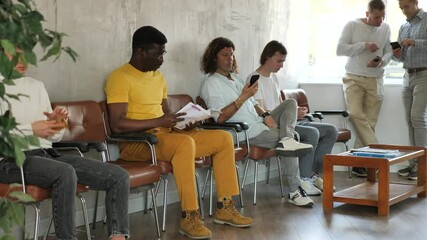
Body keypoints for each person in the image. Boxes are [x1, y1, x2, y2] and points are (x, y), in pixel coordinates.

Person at [104, 26, 252, 240]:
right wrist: (161, 121)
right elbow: (117, 125)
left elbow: (166, 114)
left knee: (223, 138)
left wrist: (184, 122)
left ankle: (225, 207)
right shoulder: (119, 77)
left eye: (164, 53)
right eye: (158, 53)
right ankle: (190, 217)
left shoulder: (158, 77)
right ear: (140, 52)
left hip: (165, 136)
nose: (162, 58)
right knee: (184, 145)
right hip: (138, 144)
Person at [0, 49, 130, 240]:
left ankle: (118, 236)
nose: (23, 59)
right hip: (11, 161)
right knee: (64, 172)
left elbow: (53, 139)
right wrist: (31, 129)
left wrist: (57, 124)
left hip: (46, 155)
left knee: (118, 176)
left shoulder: (36, 86)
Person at [199, 37, 315, 208]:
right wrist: (243, 97)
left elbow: (253, 103)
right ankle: (295, 189)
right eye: (225, 55)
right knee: (293, 136)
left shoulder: (237, 79)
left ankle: (287, 142)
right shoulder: (211, 83)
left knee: (290, 103)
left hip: (259, 123)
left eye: (231, 55)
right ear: (214, 58)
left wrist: (266, 114)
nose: (230, 58)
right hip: (244, 132)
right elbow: (220, 117)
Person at [247, 40, 338, 195]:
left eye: (283, 61)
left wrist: (296, 111)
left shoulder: (274, 78)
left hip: (286, 122)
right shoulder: (254, 78)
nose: (281, 65)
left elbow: (281, 105)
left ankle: (311, 174)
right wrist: (292, 112)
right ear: (267, 57)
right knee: (312, 133)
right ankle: (304, 177)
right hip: (273, 124)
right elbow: (260, 111)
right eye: (279, 61)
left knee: (331, 131)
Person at [336, 0, 392, 177]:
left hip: (376, 79)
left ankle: (360, 165)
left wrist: (382, 61)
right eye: (376, 17)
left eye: (383, 17)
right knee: (355, 113)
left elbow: (388, 51)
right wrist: (364, 46)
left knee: (370, 122)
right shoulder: (352, 25)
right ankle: (379, 153)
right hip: (353, 78)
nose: (380, 21)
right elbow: (340, 50)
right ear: (367, 14)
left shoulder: (386, 27)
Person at [393, 0, 427, 181]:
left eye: (406, 6)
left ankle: (423, 166)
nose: (404, 11)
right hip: (408, 75)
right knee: (409, 120)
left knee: (417, 118)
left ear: (416, 3)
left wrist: (416, 42)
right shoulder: (403, 26)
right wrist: (397, 54)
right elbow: (400, 57)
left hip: (425, 74)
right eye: (401, 8)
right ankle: (413, 163)